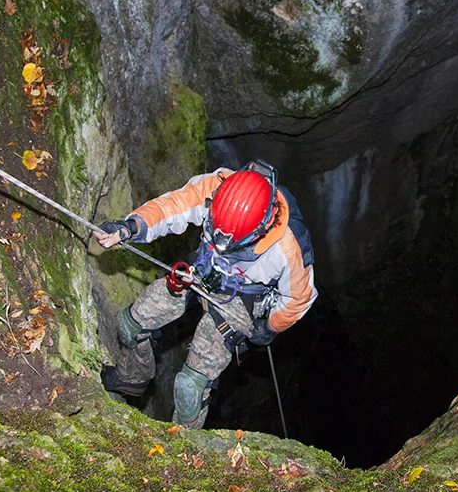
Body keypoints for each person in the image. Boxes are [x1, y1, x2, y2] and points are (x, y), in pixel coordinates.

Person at [93, 160, 317, 429]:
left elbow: (298, 299)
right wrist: (131, 226)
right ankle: (132, 378)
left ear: (262, 228)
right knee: (130, 325)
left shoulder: (290, 247)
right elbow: (174, 206)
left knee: (190, 387)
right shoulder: (218, 185)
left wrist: (268, 327)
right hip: (202, 270)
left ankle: (182, 450)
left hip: (242, 301)